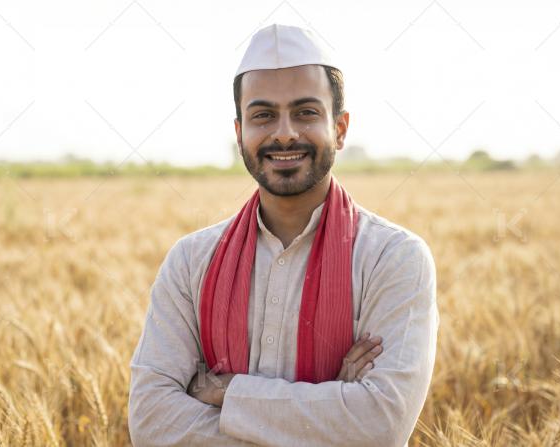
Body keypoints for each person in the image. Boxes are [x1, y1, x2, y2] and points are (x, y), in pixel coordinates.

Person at [128, 23, 439, 446]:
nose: (285, 132)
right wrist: (333, 408)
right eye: (263, 115)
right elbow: (151, 421)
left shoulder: (393, 257)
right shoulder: (189, 261)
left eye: (306, 112)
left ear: (341, 129)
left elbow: (380, 424)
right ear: (240, 134)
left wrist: (225, 392)